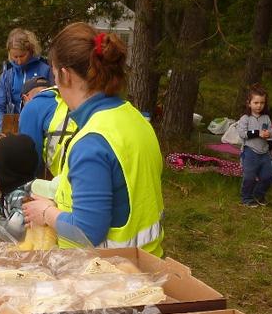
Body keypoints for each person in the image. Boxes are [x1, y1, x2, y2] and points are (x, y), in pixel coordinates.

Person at [21, 23, 165, 255]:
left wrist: (47, 213)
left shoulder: (91, 142)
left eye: (54, 75)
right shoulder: (134, 117)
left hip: (108, 274)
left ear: (65, 75)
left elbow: (87, 231)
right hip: (145, 263)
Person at [0, 28, 53, 133]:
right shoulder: (7, 75)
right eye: (15, 56)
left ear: (31, 51)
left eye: (22, 56)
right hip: (14, 129)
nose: (19, 61)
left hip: (41, 128)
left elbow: (55, 102)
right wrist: (2, 126)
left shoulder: (45, 70)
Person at [18, 76, 77, 179]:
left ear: (25, 98)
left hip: (70, 172)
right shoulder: (67, 98)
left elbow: (30, 157)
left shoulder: (30, 107)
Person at [235, 84, 272, 207]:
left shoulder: (266, 117)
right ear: (249, 103)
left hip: (264, 153)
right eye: (256, 102)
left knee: (267, 177)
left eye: (262, 103)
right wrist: (257, 133)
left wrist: (269, 134)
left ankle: (259, 195)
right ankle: (246, 198)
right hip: (250, 152)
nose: (259, 106)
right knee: (250, 177)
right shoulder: (245, 118)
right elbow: (242, 133)